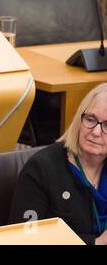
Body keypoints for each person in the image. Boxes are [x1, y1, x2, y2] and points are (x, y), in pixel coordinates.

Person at [9, 82, 107, 245]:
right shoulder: (40, 169)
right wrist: (96, 242)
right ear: (78, 119)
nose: (96, 132)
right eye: (90, 119)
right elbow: (25, 238)